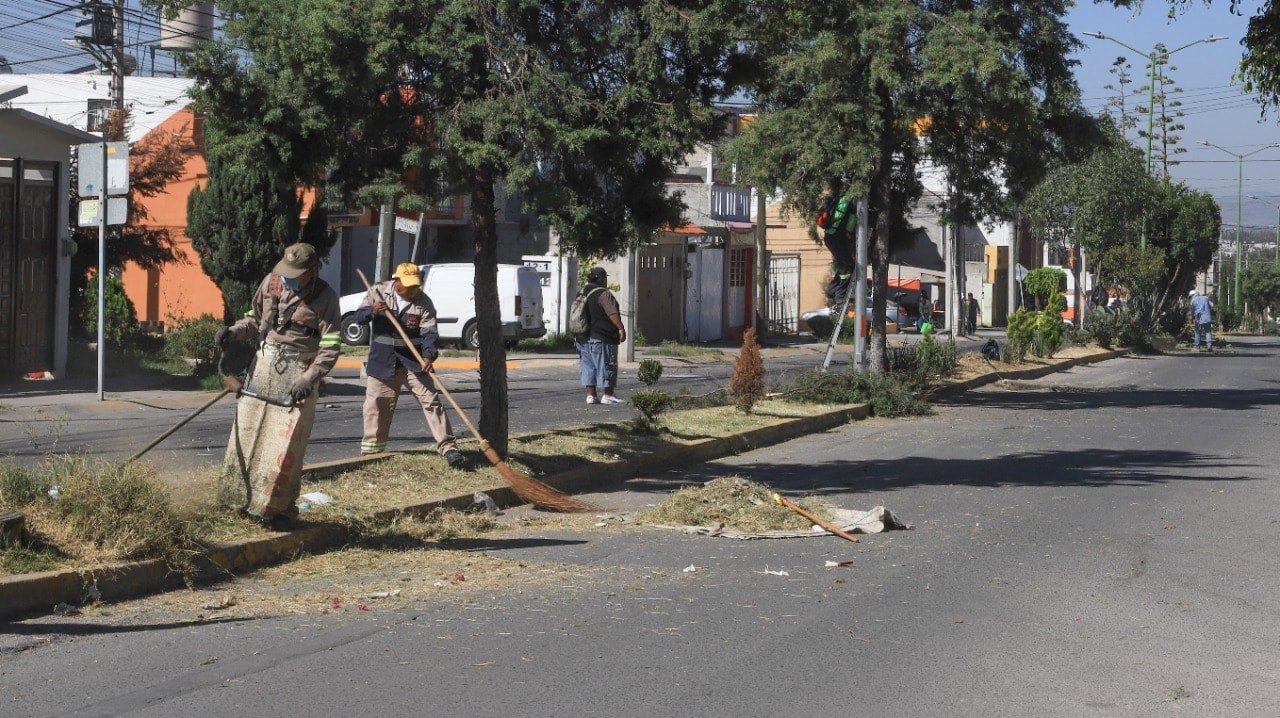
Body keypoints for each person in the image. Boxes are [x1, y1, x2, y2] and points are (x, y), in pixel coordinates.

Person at [215, 243, 342, 527]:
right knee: (246, 434)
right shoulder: (271, 283)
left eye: (295, 274)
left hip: (300, 370)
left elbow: (331, 347)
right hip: (263, 364)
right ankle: (236, 499)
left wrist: (309, 379)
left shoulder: (325, 298)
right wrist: (232, 332)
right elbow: (254, 321)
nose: (287, 278)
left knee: (285, 448)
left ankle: (279, 511)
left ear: (311, 271)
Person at [355, 263, 465, 467]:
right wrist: (373, 311)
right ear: (397, 282)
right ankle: (372, 452)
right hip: (383, 361)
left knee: (432, 403)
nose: (413, 290)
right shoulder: (378, 292)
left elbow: (430, 333)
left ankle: (449, 448)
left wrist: (428, 356)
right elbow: (358, 318)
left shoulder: (424, 302)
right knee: (376, 406)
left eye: (416, 286)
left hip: (413, 362)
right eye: (409, 286)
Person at [574, 265, 626, 404]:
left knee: (588, 366)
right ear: (602, 279)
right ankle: (608, 395)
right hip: (602, 337)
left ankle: (591, 395)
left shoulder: (582, 292)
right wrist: (620, 328)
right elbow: (612, 313)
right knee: (607, 364)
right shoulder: (603, 293)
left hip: (582, 337)